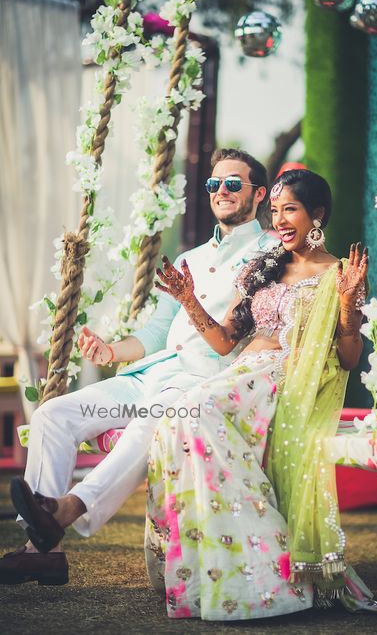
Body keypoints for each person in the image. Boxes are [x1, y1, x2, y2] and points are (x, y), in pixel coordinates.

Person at [0, 148, 278, 586]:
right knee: (54, 415)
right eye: (213, 184)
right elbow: (153, 334)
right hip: (152, 374)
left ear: (258, 194)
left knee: (149, 425)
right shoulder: (189, 258)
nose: (221, 192)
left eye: (232, 183)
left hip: (202, 381)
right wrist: (111, 352)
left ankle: (67, 510)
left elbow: (236, 338)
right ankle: (42, 551)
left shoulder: (271, 254)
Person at [141, 168, 377, 620]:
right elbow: (223, 341)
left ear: (318, 214)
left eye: (289, 209)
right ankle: (217, 567)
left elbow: (349, 359)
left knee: (194, 409)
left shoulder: (341, 275)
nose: (280, 220)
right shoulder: (263, 267)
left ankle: (266, 557)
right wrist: (188, 300)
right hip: (240, 373)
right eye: (274, 211)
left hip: (283, 380)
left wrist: (349, 309)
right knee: (178, 418)